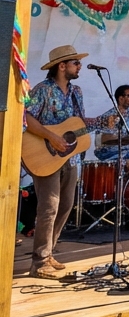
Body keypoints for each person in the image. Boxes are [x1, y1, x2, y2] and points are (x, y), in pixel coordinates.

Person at [23, 45, 89, 279]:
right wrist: (52, 136)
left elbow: (77, 124)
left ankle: (48, 252)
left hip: (68, 157)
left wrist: (104, 121)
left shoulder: (76, 92)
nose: (79, 66)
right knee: (48, 208)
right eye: (75, 62)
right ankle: (38, 263)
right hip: (44, 155)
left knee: (65, 205)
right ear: (62, 66)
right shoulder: (42, 90)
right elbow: (26, 118)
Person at [91, 83, 129, 172]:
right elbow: (102, 140)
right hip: (109, 153)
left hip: (126, 151)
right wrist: (127, 138)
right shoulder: (108, 117)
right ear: (120, 99)